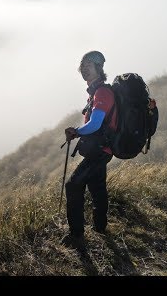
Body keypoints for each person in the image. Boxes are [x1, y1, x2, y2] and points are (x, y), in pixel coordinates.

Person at [62, 50, 118, 248]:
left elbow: (95, 124)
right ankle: (100, 228)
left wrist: (76, 131)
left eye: (88, 67)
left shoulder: (102, 92)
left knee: (73, 185)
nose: (84, 70)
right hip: (103, 150)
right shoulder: (96, 92)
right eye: (82, 67)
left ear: (99, 69)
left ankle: (76, 235)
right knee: (97, 188)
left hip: (99, 151)